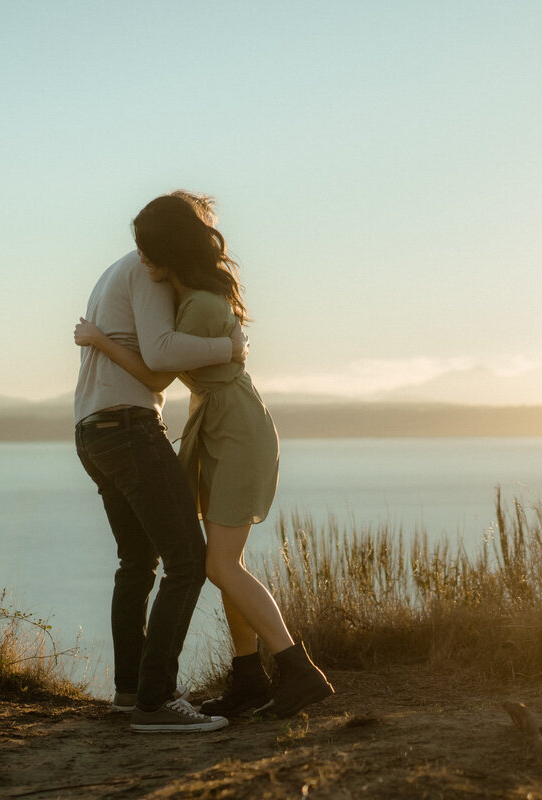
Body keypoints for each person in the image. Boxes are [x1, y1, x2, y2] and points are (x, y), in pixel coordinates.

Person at [74, 191, 334, 719]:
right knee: (210, 562)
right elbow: (164, 358)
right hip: (202, 426)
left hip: (224, 427)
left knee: (208, 563)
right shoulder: (162, 279)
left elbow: (160, 361)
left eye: (150, 249)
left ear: (167, 249)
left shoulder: (175, 290)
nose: (144, 258)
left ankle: (293, 672)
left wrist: (101, 339)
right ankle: (245, 680)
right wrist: (229, 347)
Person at [74, 218, 249, 733]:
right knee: (188, 560)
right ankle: (156, 700)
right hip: (128, 427)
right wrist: (228, 349)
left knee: (136, 564)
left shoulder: (114, 271)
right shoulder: (147, 274)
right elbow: (157, 361)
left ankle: (130, 694)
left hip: (92, 429)